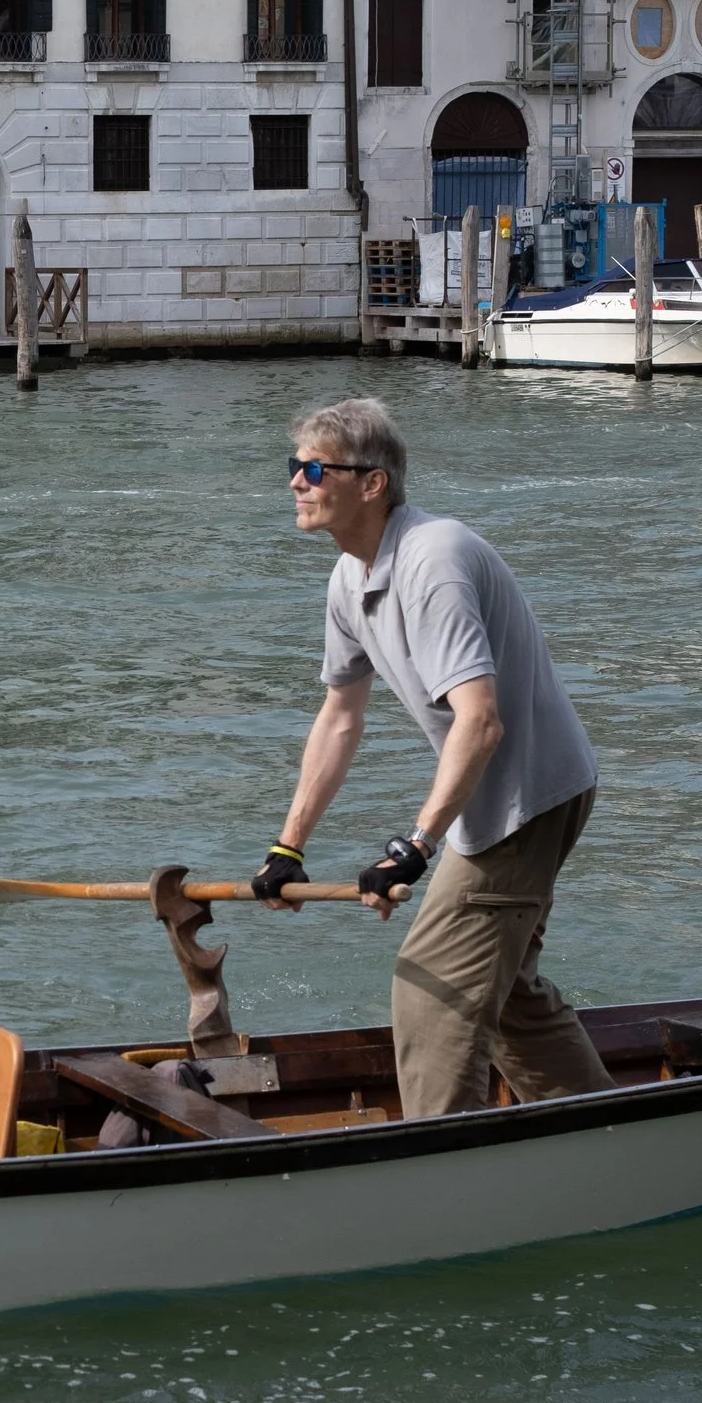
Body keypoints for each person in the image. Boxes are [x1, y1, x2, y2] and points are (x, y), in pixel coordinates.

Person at [251, 397, 616, 1119]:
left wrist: (413, 848)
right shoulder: (347, 581)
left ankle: (431, 1162)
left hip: (528, 797)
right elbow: (339, 718)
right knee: (504, 996)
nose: (296, 480)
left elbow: (481, 725)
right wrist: (287, 845)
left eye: (315, 467)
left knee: (432, 984)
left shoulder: (433, 561)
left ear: (372, 482)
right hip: (499, 799)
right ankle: (603, 1127)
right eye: (294, 466)